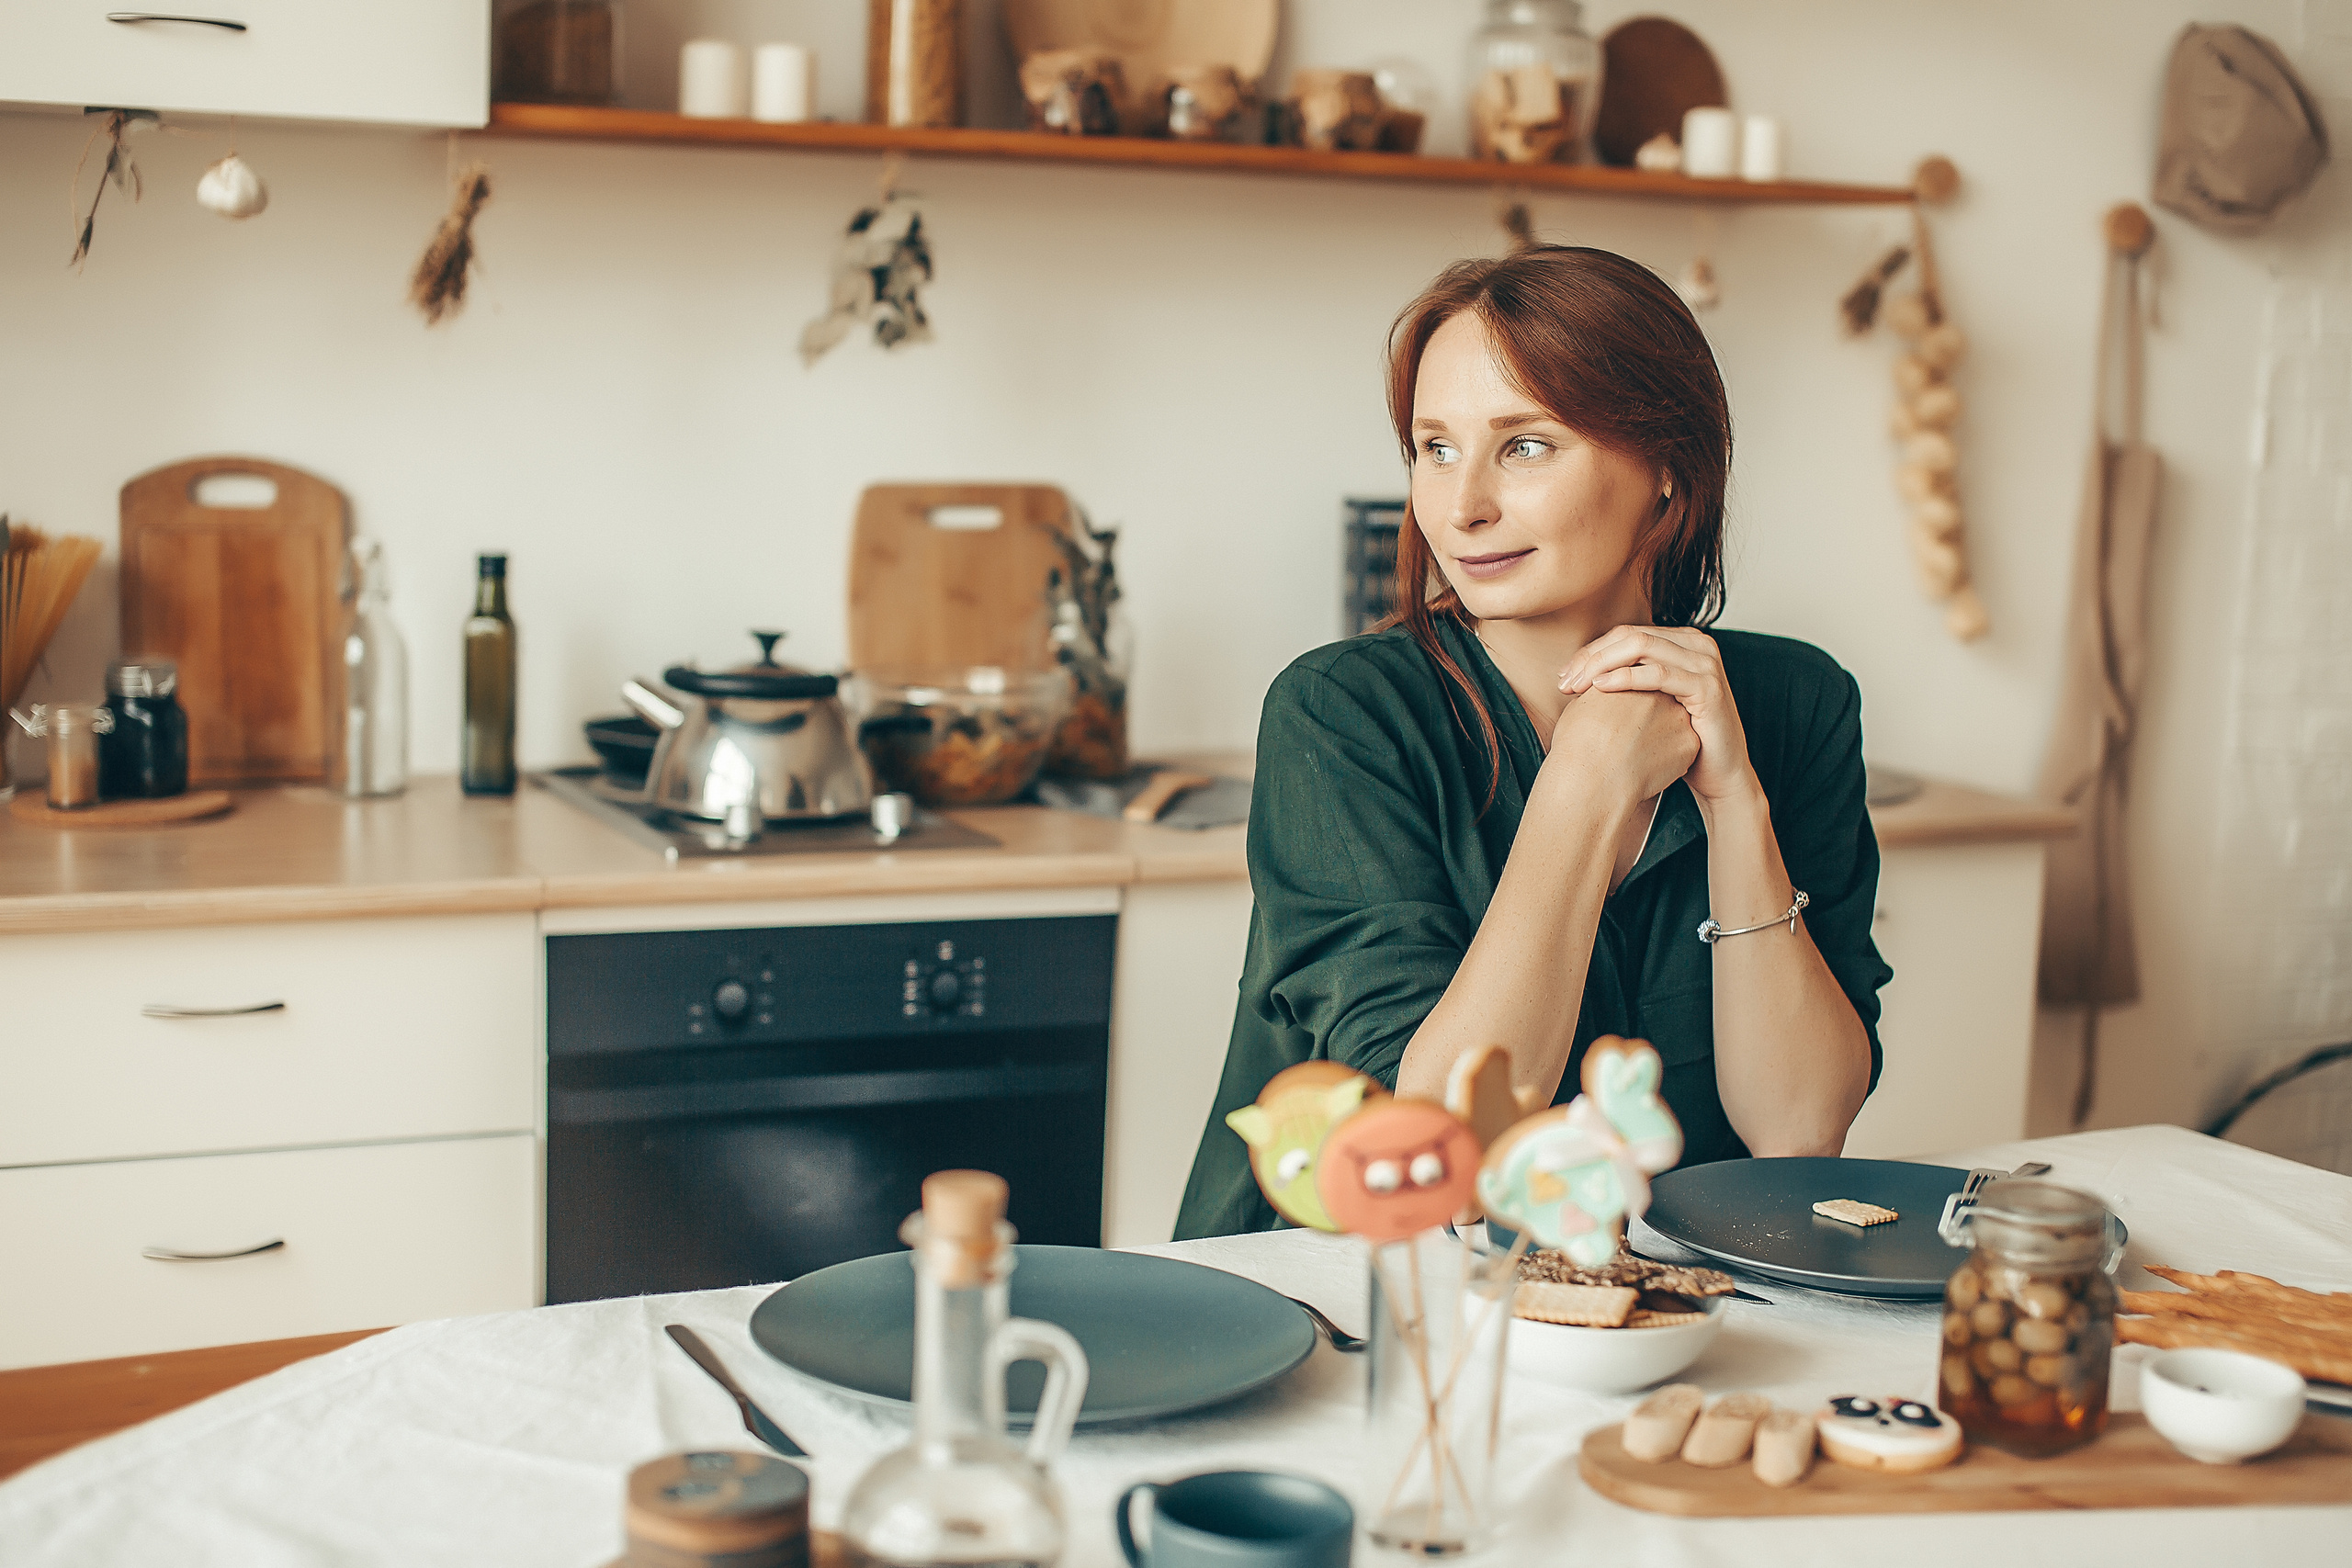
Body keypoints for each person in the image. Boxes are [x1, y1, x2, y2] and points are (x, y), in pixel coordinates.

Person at [1174, 245, 1891, 1239]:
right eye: (1433, 448)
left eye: (1524, 446)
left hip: (1664, 1297)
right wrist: (1588, 779)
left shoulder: (1791, 702)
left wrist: (1734, 806)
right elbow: (1440, 1157)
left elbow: (1799, 1131)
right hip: (1349, 1311)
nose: (1460, 505)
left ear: (1669, 471)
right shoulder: (1339, 717)